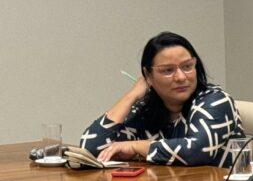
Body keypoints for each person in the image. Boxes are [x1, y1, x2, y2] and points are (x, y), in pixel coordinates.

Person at [81, 32, 243, 166]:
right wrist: (132, 96)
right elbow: (91, 150)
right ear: (148, 76)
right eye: (167, 70)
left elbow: (195, 151)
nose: (180, 77)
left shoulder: (216, 101)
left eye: (187, 67)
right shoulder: (145, 109)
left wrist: (135, 146)